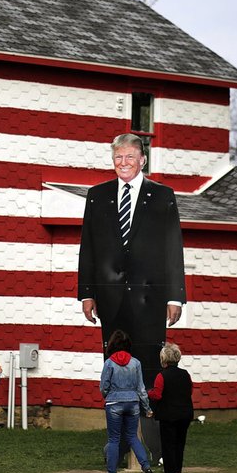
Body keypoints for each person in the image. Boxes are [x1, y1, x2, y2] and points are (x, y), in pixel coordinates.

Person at [78, 133, 187, 387]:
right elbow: (89, 248)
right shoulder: (97, 196)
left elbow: (173, 248)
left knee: (148, 368)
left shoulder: (162, 196)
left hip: (150, 299)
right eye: (118, 157)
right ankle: (117, 424)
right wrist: (87, 294)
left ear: (142, 160)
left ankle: (147, 423)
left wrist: (174, 297)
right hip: (110, 298)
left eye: (129, 156)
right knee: (115, 368)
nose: (123, 162)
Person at [100, 329, 154, 473]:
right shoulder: (136, 363)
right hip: (133, 403)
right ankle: (146, 467)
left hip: (114, 402)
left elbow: (104, 386)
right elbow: (141, 389)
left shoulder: (109, 363)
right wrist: (147, 408)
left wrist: (107, 396)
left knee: (114, 439)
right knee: (133, 437)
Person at [147, 343, 194, 473]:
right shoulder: (186, 374)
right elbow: (189, 391)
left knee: (168, 445)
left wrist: (147, 392)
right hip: (185, 413)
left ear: (164, 359)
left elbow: (157, 395)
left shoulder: (161, 376)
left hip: (168, 415)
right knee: (180, 444)